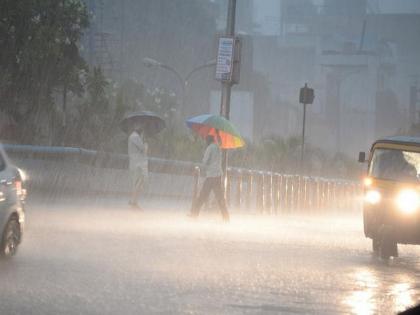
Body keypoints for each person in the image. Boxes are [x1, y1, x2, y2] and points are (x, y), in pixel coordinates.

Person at [189, 134, 230, 222]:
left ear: (207, 140)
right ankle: (226, 216)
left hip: (211, 175)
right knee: (220, 198)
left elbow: (205, 161)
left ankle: (194, 214)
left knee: (202, 196)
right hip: (218, 175)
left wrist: (203, 160)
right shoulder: (218, 147)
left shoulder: (209, 148)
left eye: (205, 140)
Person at [128, 124, 148, 210]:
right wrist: (146, 145)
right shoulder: (135, 137)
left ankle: (133, 201)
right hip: (138, 164)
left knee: (137, 182)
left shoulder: (133, 136)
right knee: (139, 182)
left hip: (135, 162)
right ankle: (134, 202)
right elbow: (143, 149)